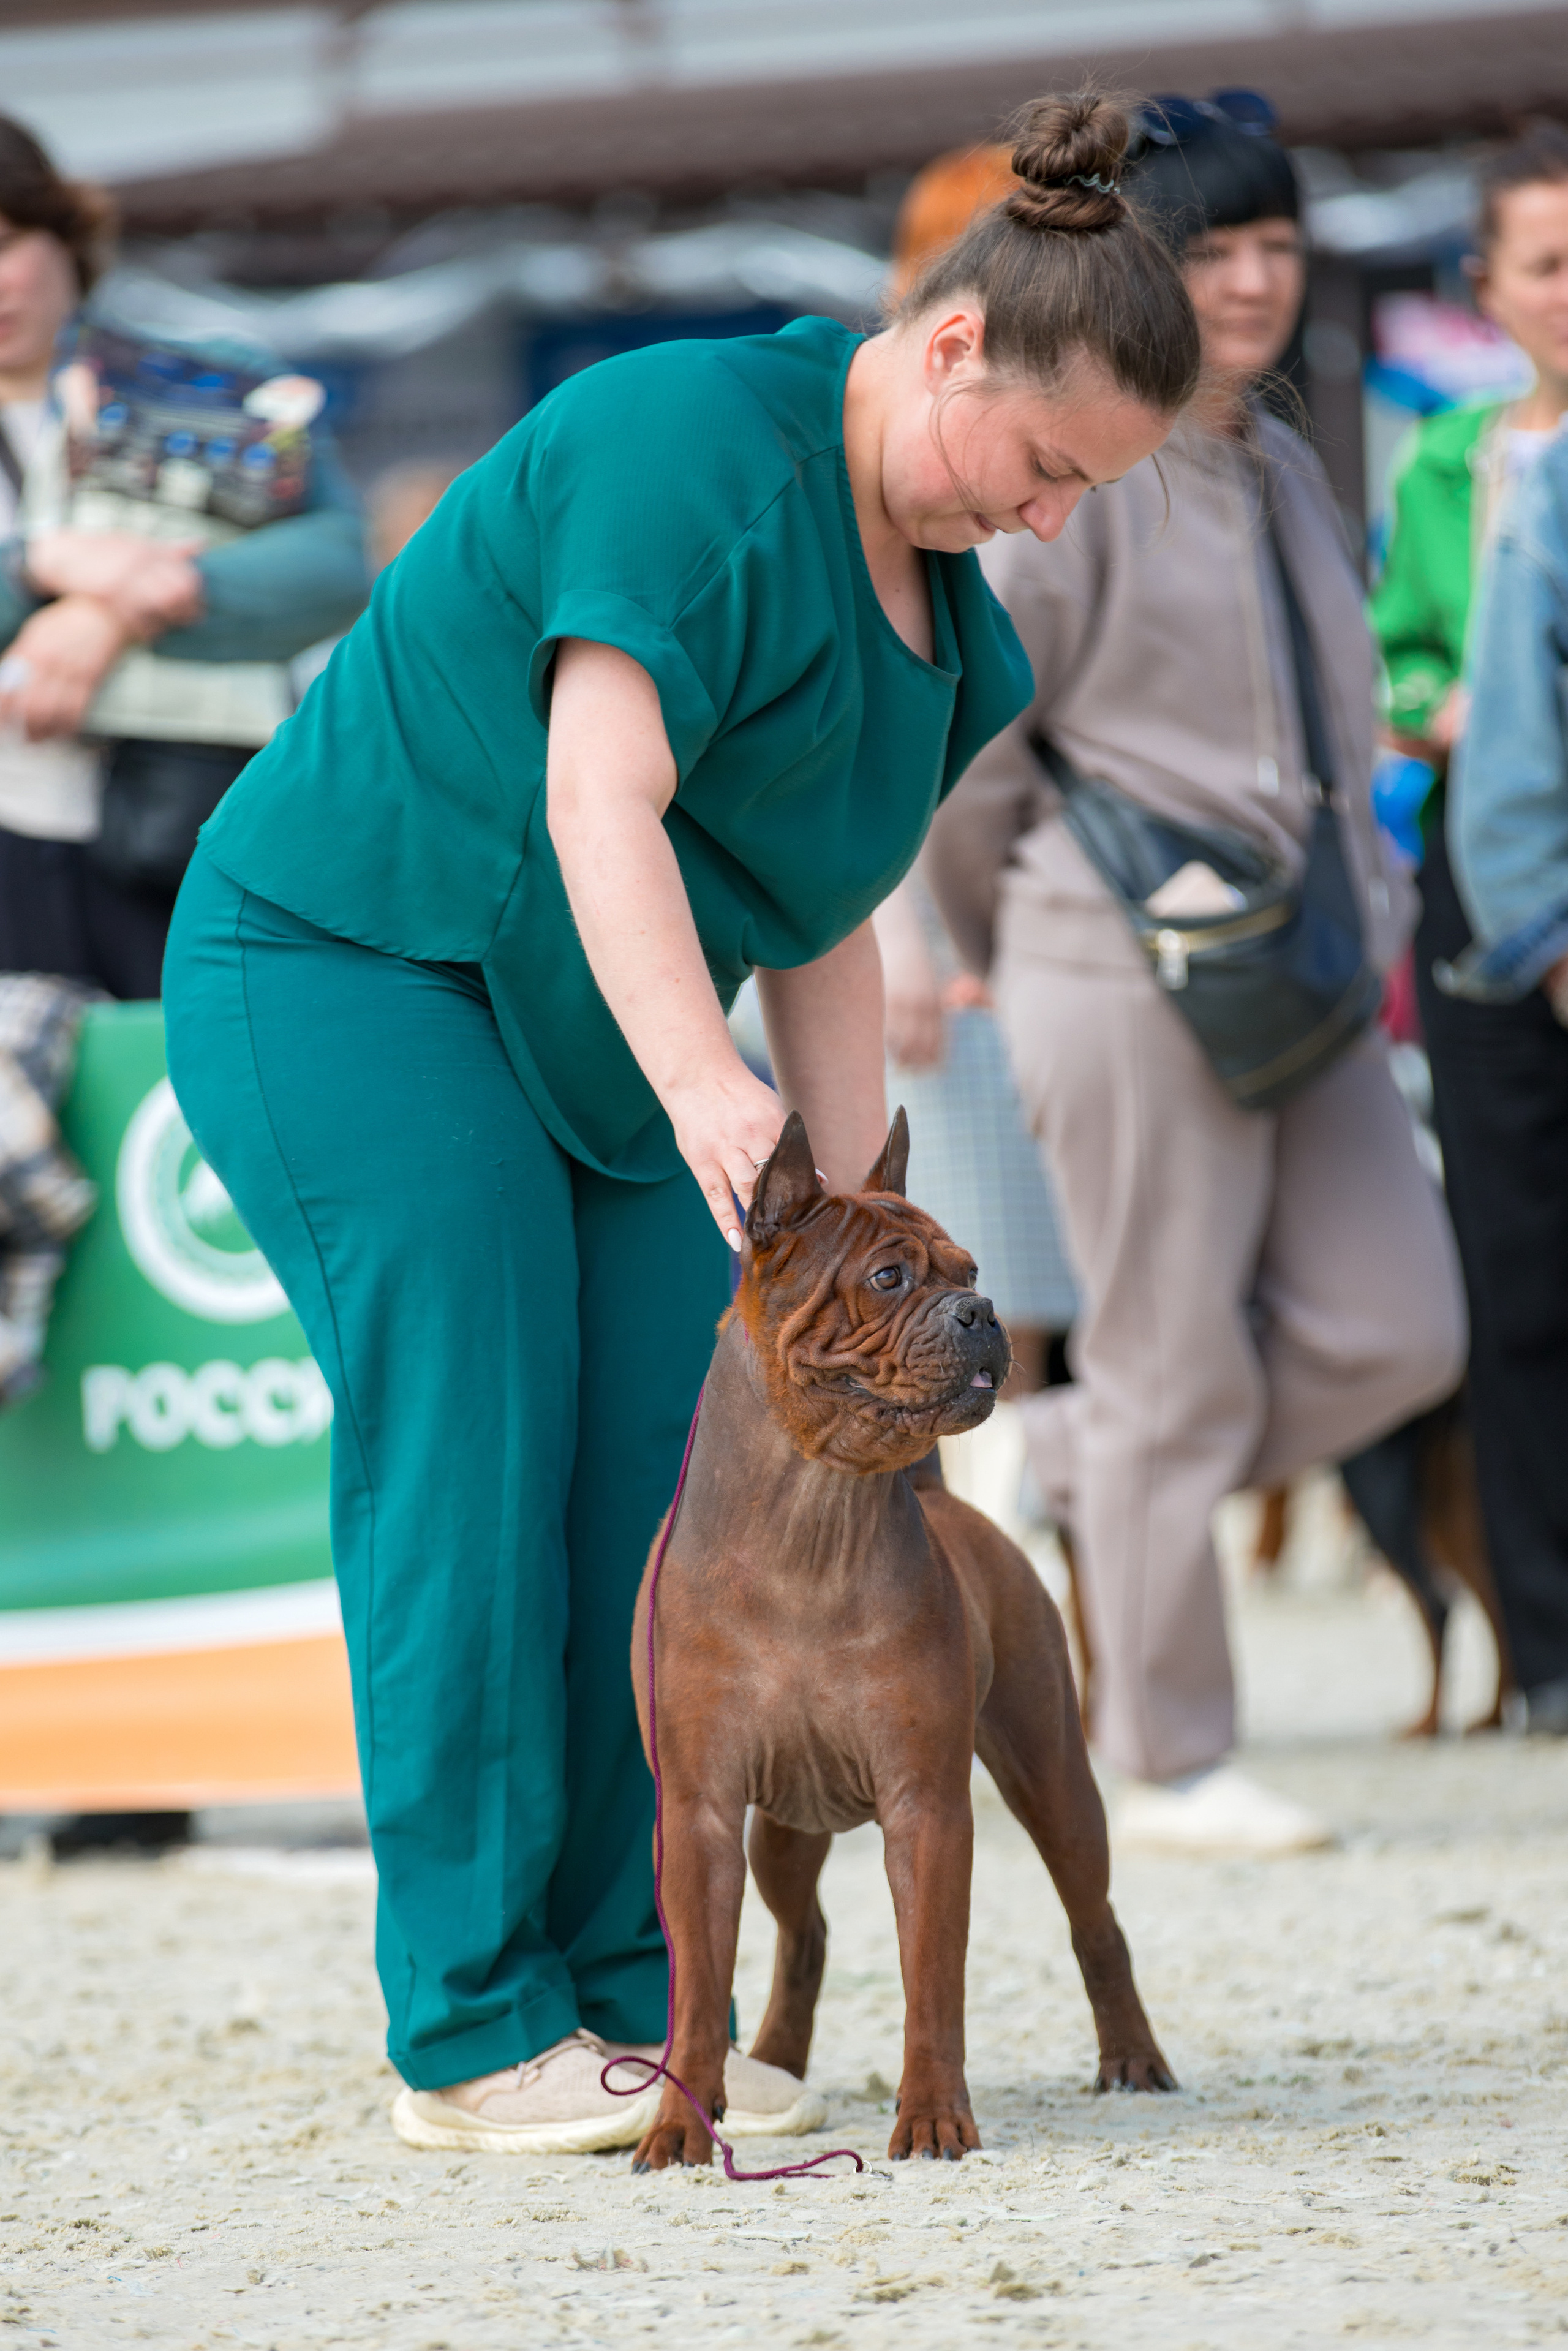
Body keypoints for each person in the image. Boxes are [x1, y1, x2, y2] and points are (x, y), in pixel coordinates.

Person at [160, 96, 1199, 2156]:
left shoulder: (956, 632)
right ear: (958, 344)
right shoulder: (687, 446)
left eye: (1100, 498)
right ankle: (466, 2028)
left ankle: (647, 1994)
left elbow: (821, 920)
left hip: (589, 1012)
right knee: (474, 1441)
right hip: (352, 956)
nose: (1056, 521)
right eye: (1052, 468)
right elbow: (596, 796)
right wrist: (721, 1102)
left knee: (670, 1463)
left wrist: (840, 1223)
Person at [927, 94, 1467, 1857]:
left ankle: (1084, 1472)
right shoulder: (1088, 467)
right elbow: (978, 746)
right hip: (1119, 948)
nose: (1250, 280)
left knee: (1399, 1323)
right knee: (1168, 1344)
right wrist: (988, 948)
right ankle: (1162, 1748)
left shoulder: (1287, 457)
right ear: (1135, 261)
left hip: (1308, 955)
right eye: (1211, 245)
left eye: (1277, 243)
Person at [0, 114, 369, 998]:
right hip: (12, 838)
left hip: (196, 814)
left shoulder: (208, 378)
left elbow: (331, 566)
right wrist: (43, 565)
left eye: (7, 242)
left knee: (196, 1102)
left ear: (66, 235)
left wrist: (115, 610)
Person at [1373, 124, 1568, 1735]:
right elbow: (1404, 657)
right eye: (1549, 262)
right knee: (1512, 1271)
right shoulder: (1448, 462)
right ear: (1487, 289)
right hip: (1478, 875)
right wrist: (1448, 704)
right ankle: (1546, 1645)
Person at [873, 145, 1079, 1392]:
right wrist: (895, 926)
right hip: (918, 932)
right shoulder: (923, 462)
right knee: (960, 1291)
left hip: (1001, 927)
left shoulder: (1041, 444)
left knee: (1031, 1297)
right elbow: (869, 724)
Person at [1441, 437, 1568, 1731]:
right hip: (1516, 942)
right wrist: (1544, 931)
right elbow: (1514, 750)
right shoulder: (1538, 487)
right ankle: (1546, 1652)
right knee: (1523, 1301)